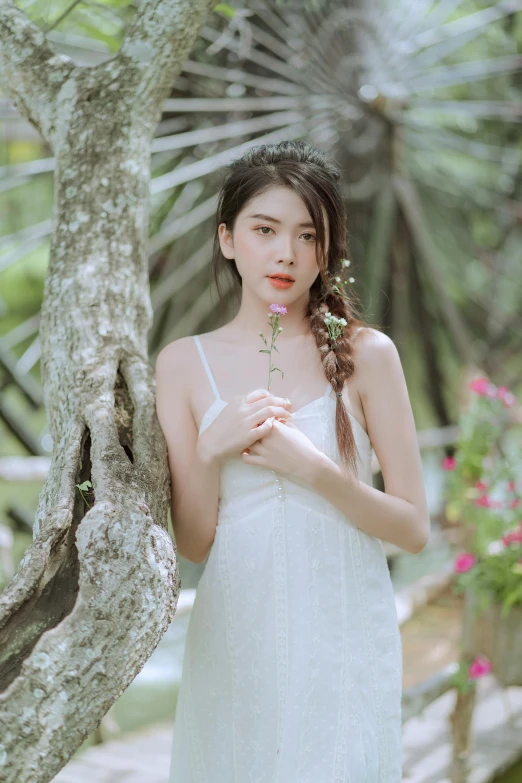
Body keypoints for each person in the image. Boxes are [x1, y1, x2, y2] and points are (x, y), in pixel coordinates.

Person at [155, 140, 430, 782]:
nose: (286, 252)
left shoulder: (369, 354)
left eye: (308, 235)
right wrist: (207, 450)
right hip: (236, 633)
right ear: (227, 239)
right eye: (265, 229)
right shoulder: (182, 364)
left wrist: (315, 470)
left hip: (341, 630)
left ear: (327, 250)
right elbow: (194, 544)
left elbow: (414, 528)